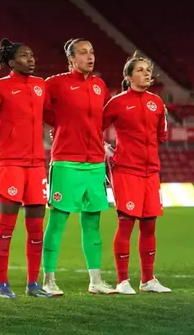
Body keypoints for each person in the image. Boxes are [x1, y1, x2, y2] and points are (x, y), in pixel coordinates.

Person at [42, 38, 117, 296]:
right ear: (71, 59)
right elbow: (38, 108)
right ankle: (48, 280)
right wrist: (59, 125)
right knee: (58, 220)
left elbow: (101, 118)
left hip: (94, 163)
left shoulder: (99, 86)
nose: (90, 56)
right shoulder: (55, 83)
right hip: (66, 162)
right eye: (83, 53)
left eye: (92, 51)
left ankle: (96, 281)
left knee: (92, 222)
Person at [0, 39, 50, 298]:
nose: (31, 59)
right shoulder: (0, 87)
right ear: (11, 62)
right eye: (24, 56)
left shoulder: (40, 85)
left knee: (36, 228)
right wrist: (5, 136)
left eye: (32, 54)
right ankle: (2, 284)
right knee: (6, 226)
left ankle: (33, 284)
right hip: (10, 163)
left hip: (36, 164)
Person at [103, 53, 171, 294]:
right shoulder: (117, 102)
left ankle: (148, 279)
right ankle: (122, 280)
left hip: (151, 172)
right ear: (128, 76)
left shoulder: (157, 103)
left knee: (149, 225)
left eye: (147, 69)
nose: (146, 73)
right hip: (126, 171)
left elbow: (161, 135)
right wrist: (106, 149)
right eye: (140, 70)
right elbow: (93, 128)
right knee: (126, 223)